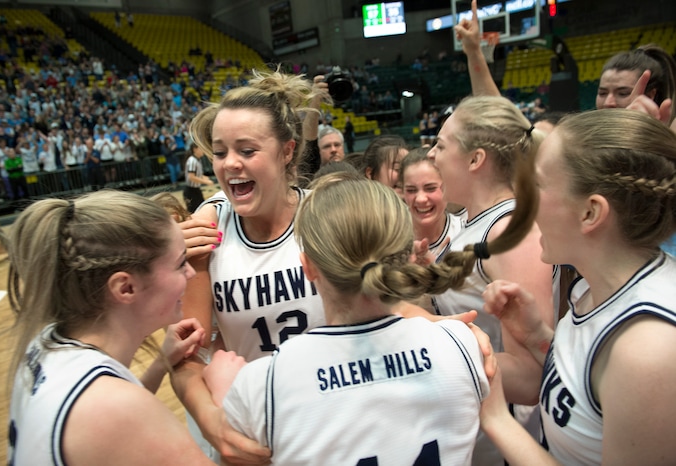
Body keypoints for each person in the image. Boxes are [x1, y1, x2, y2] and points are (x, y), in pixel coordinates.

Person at [202, 177, 492, 465]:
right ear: (406, 258)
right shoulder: (462, 343)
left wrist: (226, 398)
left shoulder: (263, 384)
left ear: (308, 267)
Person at [481, 109, 676, 465]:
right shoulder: (593, 290)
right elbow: (589, 394)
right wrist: (538, 337)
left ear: (590, 213)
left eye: (538, 186)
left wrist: (496, 420)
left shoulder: (648, 349)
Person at [170, 69, 327, 464]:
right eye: (220, 152)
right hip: (253, 426)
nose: (230, 164)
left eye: (247, 150)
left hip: (332, 415)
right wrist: (212, 424)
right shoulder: (209, 225)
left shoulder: (325, 213)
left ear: (287, 151)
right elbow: (188, 355)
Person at [6, 190, 218, 465]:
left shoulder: (45, 340)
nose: (191, 273)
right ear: (125, 287)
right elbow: (114, 415)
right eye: (180, 264)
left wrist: (160, 364)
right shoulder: (113, 408)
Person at [427, 95, 556, 466]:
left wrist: (423, 358)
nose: (432, 155)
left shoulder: (510, 231)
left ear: (475, 159)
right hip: (476, 428)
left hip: (508, 441)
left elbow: (533, 377)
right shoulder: (478, 222)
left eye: (440, 144)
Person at [183, 142, 214, 213]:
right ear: (195, 149)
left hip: (196, 190)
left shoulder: (197, 160)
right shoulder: (192, 160)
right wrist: (205, 182)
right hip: (191, 191)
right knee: (193, 212)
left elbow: (197, 174)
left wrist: (204, 177)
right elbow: (191, 177)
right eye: (201, 148)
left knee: (202, 209)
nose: (203, 150)